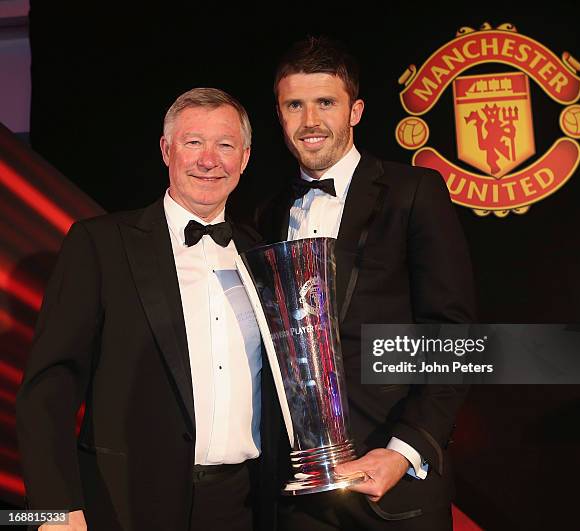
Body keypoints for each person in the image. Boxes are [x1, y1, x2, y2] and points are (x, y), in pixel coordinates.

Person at [16, 88, 280, 531]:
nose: (209, 160)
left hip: (242, 504)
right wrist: (53, 508)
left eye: (226, 145)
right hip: (122, 502)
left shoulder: (263, 255)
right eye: (194, 142)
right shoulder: (100, 244)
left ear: (246, 157)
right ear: (166, 150)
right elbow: (49, 386)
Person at [257, 37, 477, 531]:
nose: (310, 120)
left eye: (326, 103)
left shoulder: (414, 192)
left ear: (355, 111)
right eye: (295, 104)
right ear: (279, 113)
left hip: (394, 489)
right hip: (296, 498)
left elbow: (455, 337)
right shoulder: (266, 212)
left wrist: (403, 452)